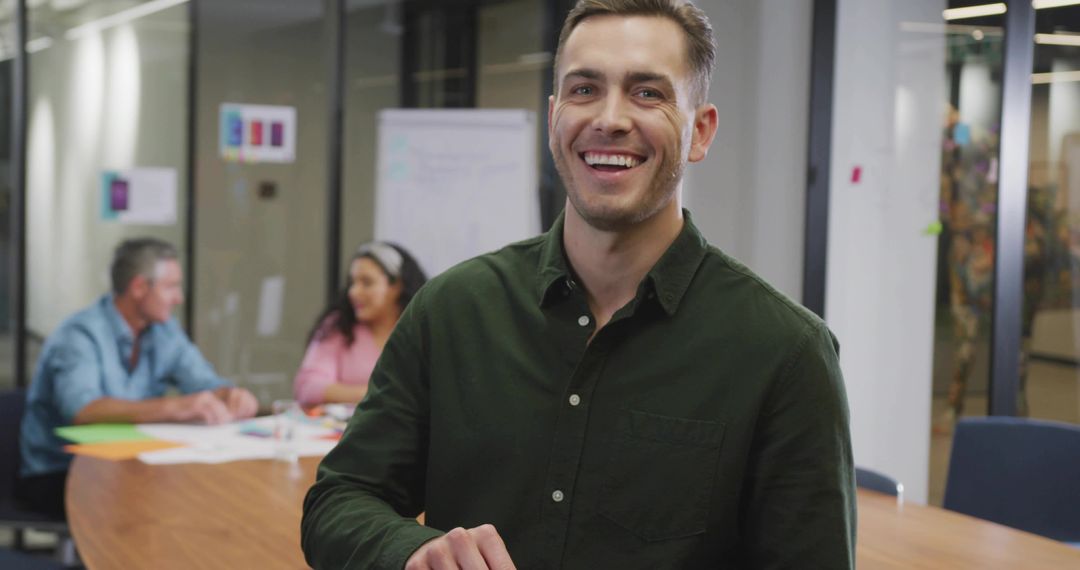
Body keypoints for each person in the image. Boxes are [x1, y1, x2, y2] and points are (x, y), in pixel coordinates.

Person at [302, 1, 855, 568]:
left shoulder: (785, 353)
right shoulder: (452, 311)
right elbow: (339, 500)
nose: (610, 118)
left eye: (648, 93)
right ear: (553, 120)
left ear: (700, 132)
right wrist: (411, 551)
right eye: (585, 89)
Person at [17, 238, 258, 518]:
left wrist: (230, 395)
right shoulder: (79, 335)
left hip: (128, 462)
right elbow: (82, 410)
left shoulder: (163, 330)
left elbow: (203, 382)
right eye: (170, 287)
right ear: (139, 287)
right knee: (167, 505)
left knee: (208, 492)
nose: (178, 298)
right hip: (61, 472)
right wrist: (173, 407)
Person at [293, 242, 427, 406]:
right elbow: (307, 388)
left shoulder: (422, 330)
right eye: (352, 282)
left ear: (396, 286)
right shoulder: (339, 326)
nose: (354, 292)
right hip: (345, 430)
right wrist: (381, 394)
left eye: (367, 282)